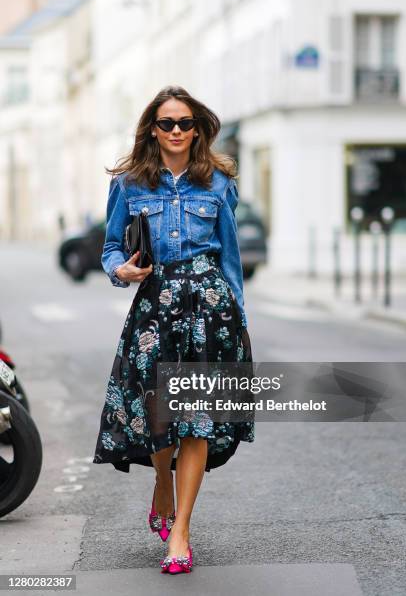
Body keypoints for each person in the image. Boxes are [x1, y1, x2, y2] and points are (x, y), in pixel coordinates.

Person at [93, 85, 254, 574]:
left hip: (209, 310)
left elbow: (230, 257)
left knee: (197, 420)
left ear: (198, 128)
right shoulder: (129, 183)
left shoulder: (220, 182)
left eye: (186, 123)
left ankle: (180, 532)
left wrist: (240, 323)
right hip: (155, 310)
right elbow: (109, 249)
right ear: (153, 129)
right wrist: (121, 271)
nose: (178, 131)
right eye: (168, 123)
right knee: (160, 421)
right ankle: (161, 481)